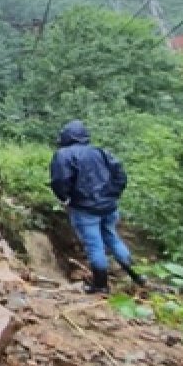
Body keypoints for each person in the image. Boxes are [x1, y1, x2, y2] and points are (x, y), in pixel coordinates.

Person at [49, 120, 145, 293]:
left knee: (94, 245)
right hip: (108, 207)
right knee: (112, 238)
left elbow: (59, 181)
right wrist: (112, 195)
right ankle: (138, 276)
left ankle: (100, 285)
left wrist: (66, 199)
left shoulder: (63, 155)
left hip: (84, 209)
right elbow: (121, 176)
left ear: (66, 136)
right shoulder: (101, 152)